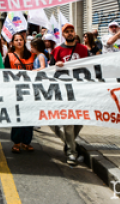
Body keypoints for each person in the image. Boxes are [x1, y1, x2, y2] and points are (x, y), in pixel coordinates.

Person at [51, 23, 89, 165]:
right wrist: (57, 65)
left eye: (71, 31)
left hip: (80, 91)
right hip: (65, 91)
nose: (69, 33)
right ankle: (72, 153)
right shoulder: (58, 50)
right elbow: (50, 70)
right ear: (63, 34)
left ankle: (69, 144)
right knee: (68, 123)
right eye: (66, 31)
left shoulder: (83, 49)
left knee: (80, 121)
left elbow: (91, 66)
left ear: (74, 32)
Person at [5, 32, 37, 153]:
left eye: (21, 40)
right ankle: (17, 142)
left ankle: (26, 142)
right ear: (12, 43)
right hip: (15, 91)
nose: (19, 42)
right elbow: (6, 74)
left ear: (24, 42)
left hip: (31, 91)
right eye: (16, 40)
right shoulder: (9, 57)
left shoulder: (33, 56)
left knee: (29, 116)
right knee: (18, 116)